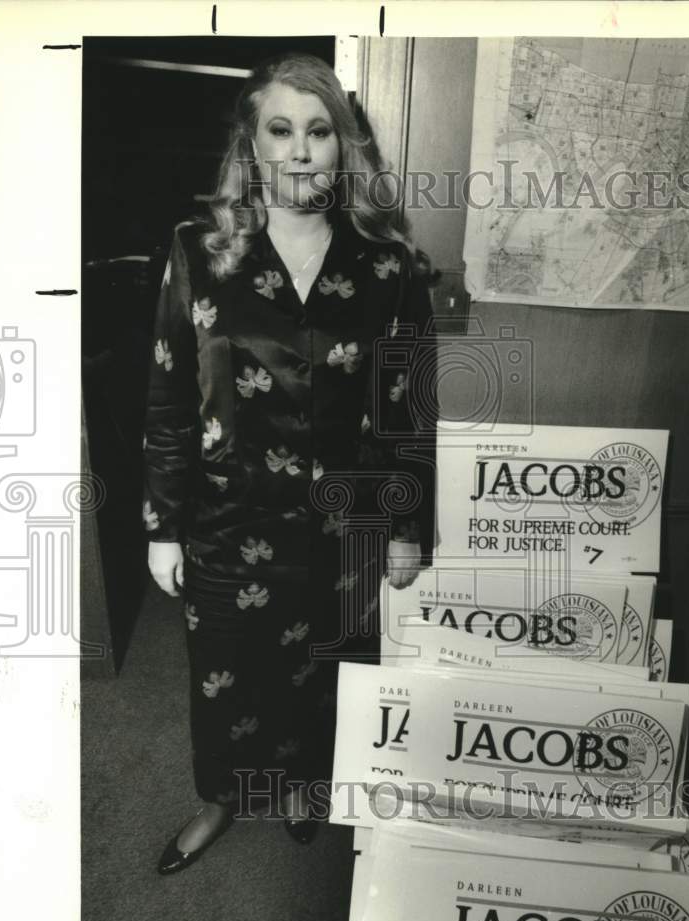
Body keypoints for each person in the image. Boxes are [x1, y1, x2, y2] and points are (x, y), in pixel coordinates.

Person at [142, 52, 436, 875]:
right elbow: (168, 398)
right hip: (228, 522)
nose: (301, 150)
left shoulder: (390, 266)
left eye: (320, 131)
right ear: (252, 143)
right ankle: (221, 797)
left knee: (322, 673)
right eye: (281, 130)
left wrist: (407, 527)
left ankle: (306, 787)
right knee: (225, 677)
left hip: (345, 522)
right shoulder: (198, 252)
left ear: (343, 148)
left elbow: (408, 408)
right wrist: (162, 527)